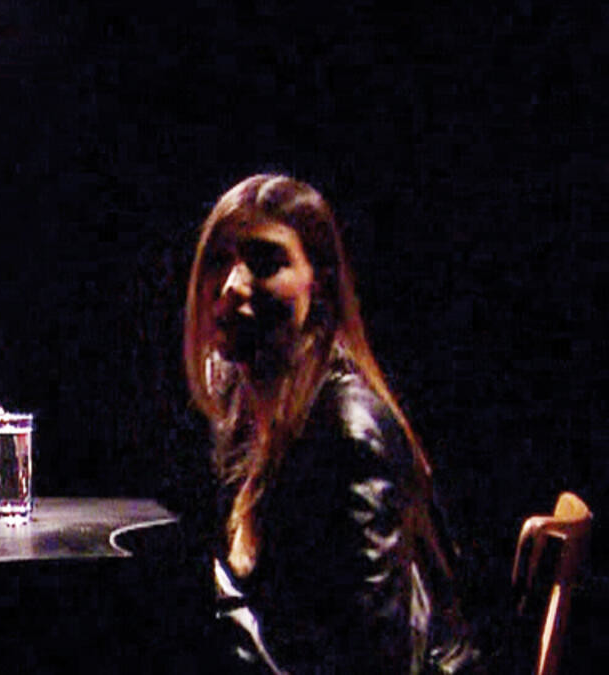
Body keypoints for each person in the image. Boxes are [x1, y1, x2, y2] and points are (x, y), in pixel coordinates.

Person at [182, 174, 478, 672]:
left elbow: (377, 660)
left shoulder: (346, 430)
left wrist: (226, 613)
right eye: (219, 261)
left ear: (317, 283)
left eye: (265, 262)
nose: (233, 286)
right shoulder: (241, 410)